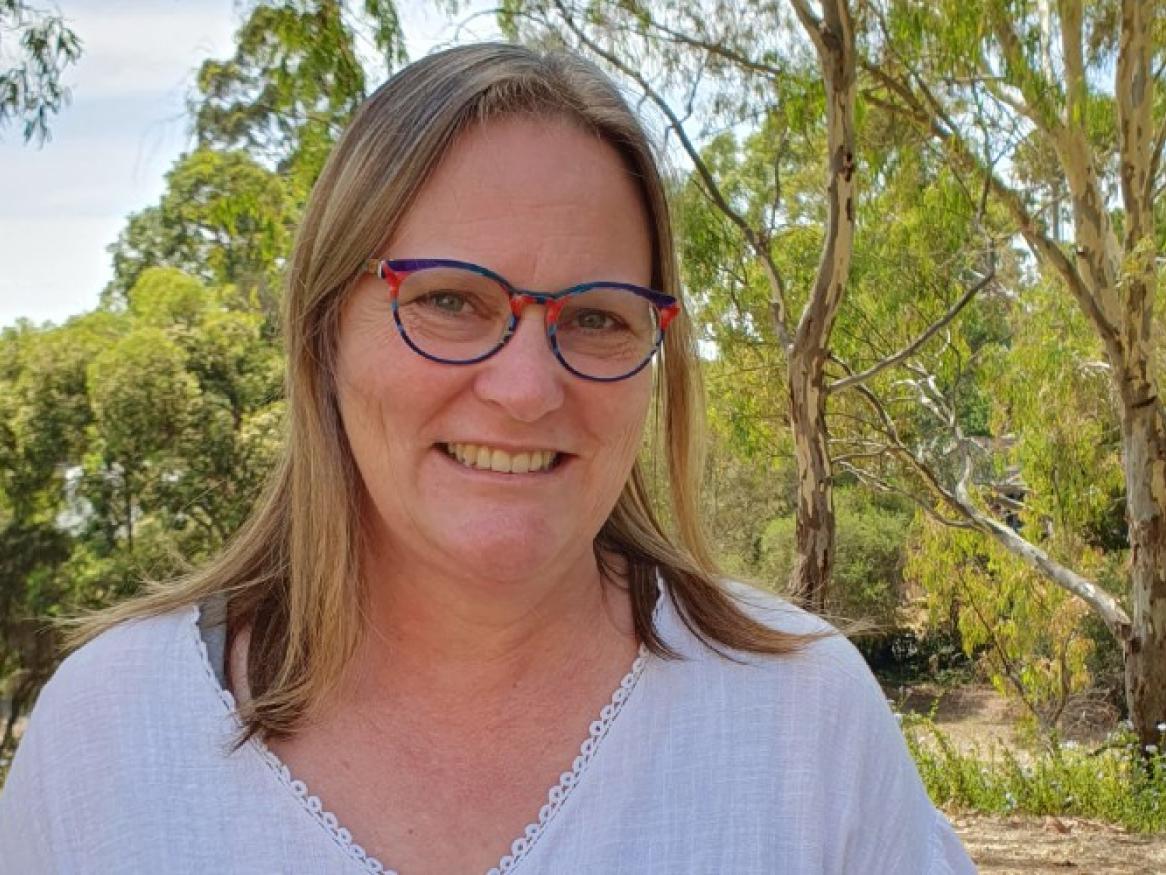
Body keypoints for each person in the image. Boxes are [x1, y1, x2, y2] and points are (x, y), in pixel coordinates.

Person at [0, 43, 976, 874]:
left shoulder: (802, 721)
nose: (524, 389)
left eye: (595, 316)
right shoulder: (109, 734)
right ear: (324, 334)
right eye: (449, 300)